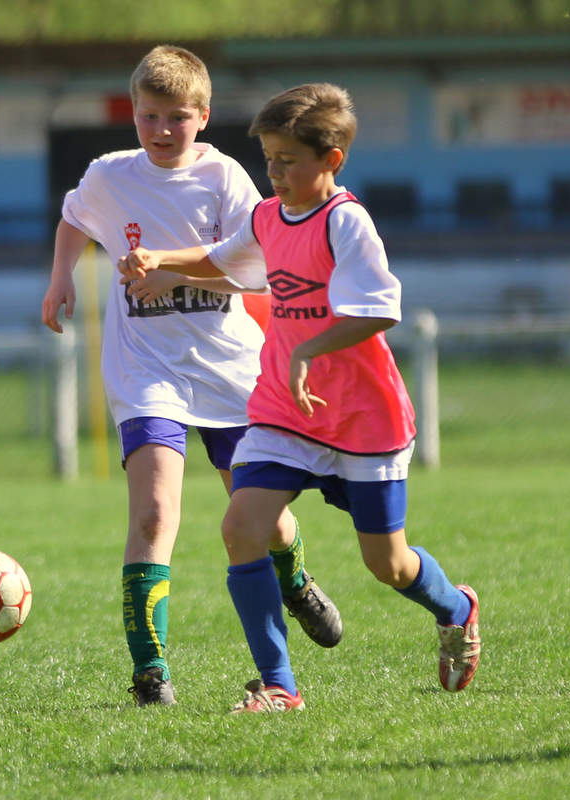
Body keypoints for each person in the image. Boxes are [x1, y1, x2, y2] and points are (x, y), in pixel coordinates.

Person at [119, 82, 481, 712]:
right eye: (269, 159)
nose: (275, 172)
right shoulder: (267, 216)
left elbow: (379, 310)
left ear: (331, 160)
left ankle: (456, 607)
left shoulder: (346, 222)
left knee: (387, 564)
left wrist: (311, 349)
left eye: (288, 160)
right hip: (285, 407)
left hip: (360, 415)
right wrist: (164, 262)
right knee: (241, 528)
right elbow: (223, 259)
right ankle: (279, 685)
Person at [40, 46, 341, 708]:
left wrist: (172, 273)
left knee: (263, 521)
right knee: (153, 511)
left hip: (229, 368)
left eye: (177, 117)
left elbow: (254, 266)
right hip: (145, 368)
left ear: (202, 117)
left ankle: (293, 577)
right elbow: (73, 216)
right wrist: (62, 275)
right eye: (150, 116)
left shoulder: (227, 178)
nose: (162, 130)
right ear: (133, 113)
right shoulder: (109, 175)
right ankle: (151, 672)